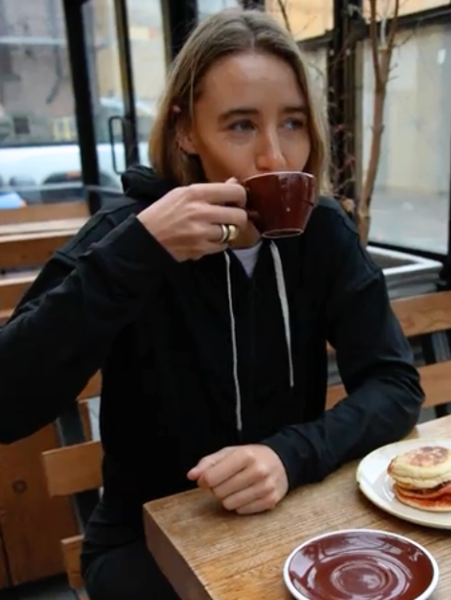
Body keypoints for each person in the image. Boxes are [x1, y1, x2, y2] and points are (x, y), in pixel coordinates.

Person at [0, 8, 423, 600]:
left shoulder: (322, 232)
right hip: (141, 539)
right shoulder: (126, 235)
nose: (276, 157)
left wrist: (290, 455)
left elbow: (395, 384)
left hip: (291, 512)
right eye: (241, 126)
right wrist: (142, 251)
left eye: (293, 123)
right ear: (186, 132)